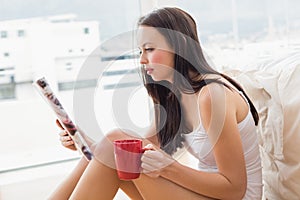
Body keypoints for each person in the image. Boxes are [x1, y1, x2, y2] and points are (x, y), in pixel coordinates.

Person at [49, 7, 262, 200]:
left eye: (149, 49)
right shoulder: (173, 96)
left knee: (116, 139)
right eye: (141, 51)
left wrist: (169, 168)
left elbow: (234, 189)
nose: (142, 60)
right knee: (115, 148)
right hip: (202, 195)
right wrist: (84, 143)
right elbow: (125, 150)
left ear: (180, 47)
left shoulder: (213, 96)